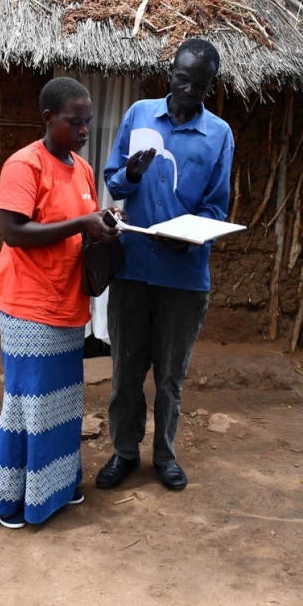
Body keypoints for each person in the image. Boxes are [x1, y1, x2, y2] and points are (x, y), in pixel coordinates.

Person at [96, 38, 234, 492]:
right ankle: (124, 453)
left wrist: (189, 238)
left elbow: (216, 208)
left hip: (184, 274)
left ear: (210, 86)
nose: (188, 90)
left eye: (199, 84)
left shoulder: (219, 135)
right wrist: (131, 176)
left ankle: (166, 457)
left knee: (171, 378)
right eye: (181, 78)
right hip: (134, 269)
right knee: (126, 373)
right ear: (169, 72)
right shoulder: (138, 116)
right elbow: (114, 182)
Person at [0, 76, 120, 528]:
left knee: (62, 403)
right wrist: (82, 222)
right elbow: (13, 231)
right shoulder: (25, 166)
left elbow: (81, 224)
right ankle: (14, 501)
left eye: (88, 122)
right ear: (48, 119)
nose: (84, 130)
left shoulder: (80, 169)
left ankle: (57, 488)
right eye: (74, 122)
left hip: (66, 301)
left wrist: (102, 222)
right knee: (29, 405)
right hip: (28, 306)